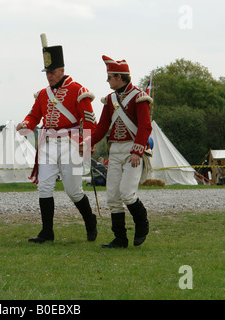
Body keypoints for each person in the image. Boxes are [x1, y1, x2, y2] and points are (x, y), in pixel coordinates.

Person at [16, 34, 97, 243]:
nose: (49, 76)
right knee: (44, 187)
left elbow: (89, 121)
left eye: (52, 72)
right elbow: (34, 115)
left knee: (73, 190)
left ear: (62, 70)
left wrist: (86, 146)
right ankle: (47, 232)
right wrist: (26, 124)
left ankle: (90, 220)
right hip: (48, 143)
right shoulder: (43, 94)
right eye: (47, 72)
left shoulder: (78, 90)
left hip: (71, 143)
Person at [90, 55, 152, 248]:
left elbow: (145, 127)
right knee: (113, 197)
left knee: (127, 193)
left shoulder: (139, 97)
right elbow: (101, 128)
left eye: (110, 77)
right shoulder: (110, 99)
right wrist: (85, 143)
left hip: (133, 149)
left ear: (119, 77)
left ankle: (142, 224)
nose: (107, 80)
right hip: (115, 150)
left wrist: (137, 150)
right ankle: (120, 238)